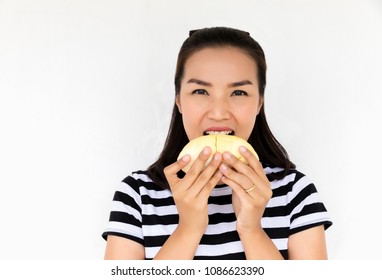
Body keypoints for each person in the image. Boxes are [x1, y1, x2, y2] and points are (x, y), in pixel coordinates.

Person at [102, 27, 332, 260]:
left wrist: (252, 230)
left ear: (259, 102)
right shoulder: (137, 196)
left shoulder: (295, 193)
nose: (219, 112)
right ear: (179, 101)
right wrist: (188, 229)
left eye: (239, 92)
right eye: (201, 91)